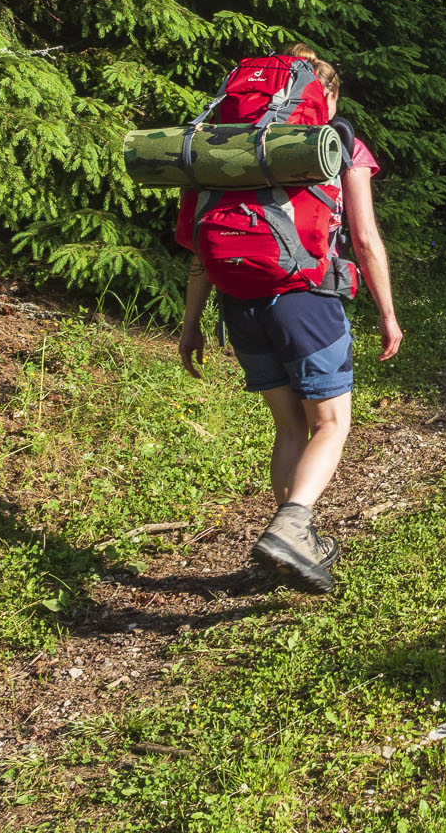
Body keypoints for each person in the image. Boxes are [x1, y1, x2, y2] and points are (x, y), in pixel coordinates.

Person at [175, 44, 404, 593]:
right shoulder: (335, 145)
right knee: (331, 424)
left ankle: (291, 541)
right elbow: (367, 240)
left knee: (289, 427)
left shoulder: (223, 147)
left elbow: (201, 250)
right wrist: (388, 314)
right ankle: (293, 527)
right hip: (305, 297)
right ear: (320, 92)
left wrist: (190, 325)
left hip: (239, 299)